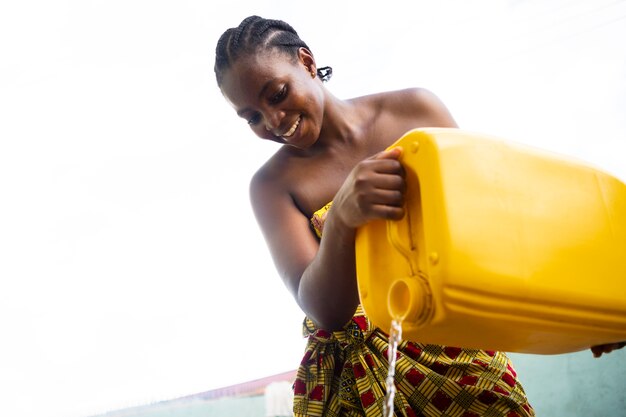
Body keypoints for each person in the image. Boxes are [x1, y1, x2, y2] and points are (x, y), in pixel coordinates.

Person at [214, 15, 622, 417]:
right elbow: (325, 309)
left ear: (306, 62)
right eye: (251, 117)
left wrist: (581, 318)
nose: (273, 120)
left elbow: (492, 232)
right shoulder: (271, 186)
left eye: (277, 93)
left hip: (456, 347)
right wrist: (342, 219)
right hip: (353, 380)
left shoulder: (413, 112)